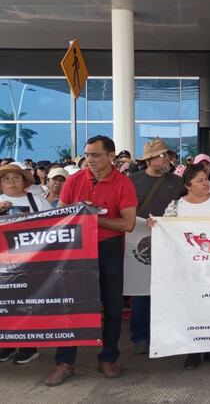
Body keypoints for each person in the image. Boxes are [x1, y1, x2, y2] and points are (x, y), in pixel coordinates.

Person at [46, 135, 137, 386]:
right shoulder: (74, 180)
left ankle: (108, 358)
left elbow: (128, 224)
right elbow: (61, 215)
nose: (90, 159)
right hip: (76, 248)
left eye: (95, 155)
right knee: (72, 304)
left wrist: (93, 218)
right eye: (87, 154)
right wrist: (76, 215)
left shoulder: (123, 184)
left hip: (109, 248)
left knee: (112, 306)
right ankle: (65, 362)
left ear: (111, 156)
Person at [148, 163, 210, 369]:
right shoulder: (176, 207)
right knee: (190, 307)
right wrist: (155, 227)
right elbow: (166, 233)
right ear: (188, 185)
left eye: (207, 180)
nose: (206, 184)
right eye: (200, 181)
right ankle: (193, 350)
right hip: (187, 268)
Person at [128, 138, 185, 355]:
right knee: (141, 289)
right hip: (140, 241)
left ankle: (168, 333)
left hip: (170, 241)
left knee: (171, 289)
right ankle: (140, 336)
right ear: (149, 159)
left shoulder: (177, 182)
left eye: (168, 155)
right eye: (162, 156)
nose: (167, 159)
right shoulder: (133, 181)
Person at [0, 164, 53, 365]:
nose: (11, 182)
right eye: (6, 178)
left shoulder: (37, 201)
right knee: (5, 305)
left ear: (24, 182)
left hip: (31, 263)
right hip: (3, 266)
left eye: (16, 177)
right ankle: (6, 344)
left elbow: (55, 224)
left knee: (27, 305)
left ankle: (28, 346)